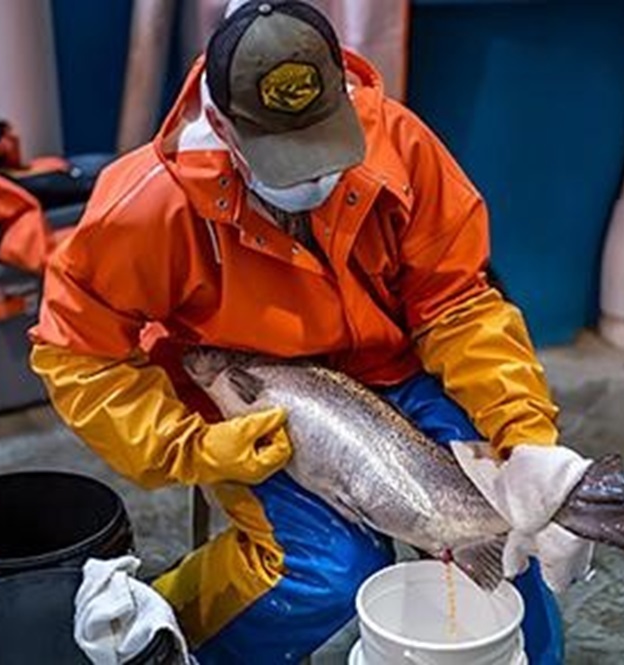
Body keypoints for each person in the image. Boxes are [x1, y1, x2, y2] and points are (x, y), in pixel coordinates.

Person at [31, 1, 571, 661]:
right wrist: (194, 444)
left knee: (515, 534)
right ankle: (169, 633)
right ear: (224, 126)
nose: (315, 175)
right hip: (254, 414)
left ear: (343, 88)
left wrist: (527, 436)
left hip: (399, 374)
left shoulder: (399, 145)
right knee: (325, 570)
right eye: (288, 159)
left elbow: (457, 301)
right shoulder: (149, 204)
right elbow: (78, 356)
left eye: (325, 141)